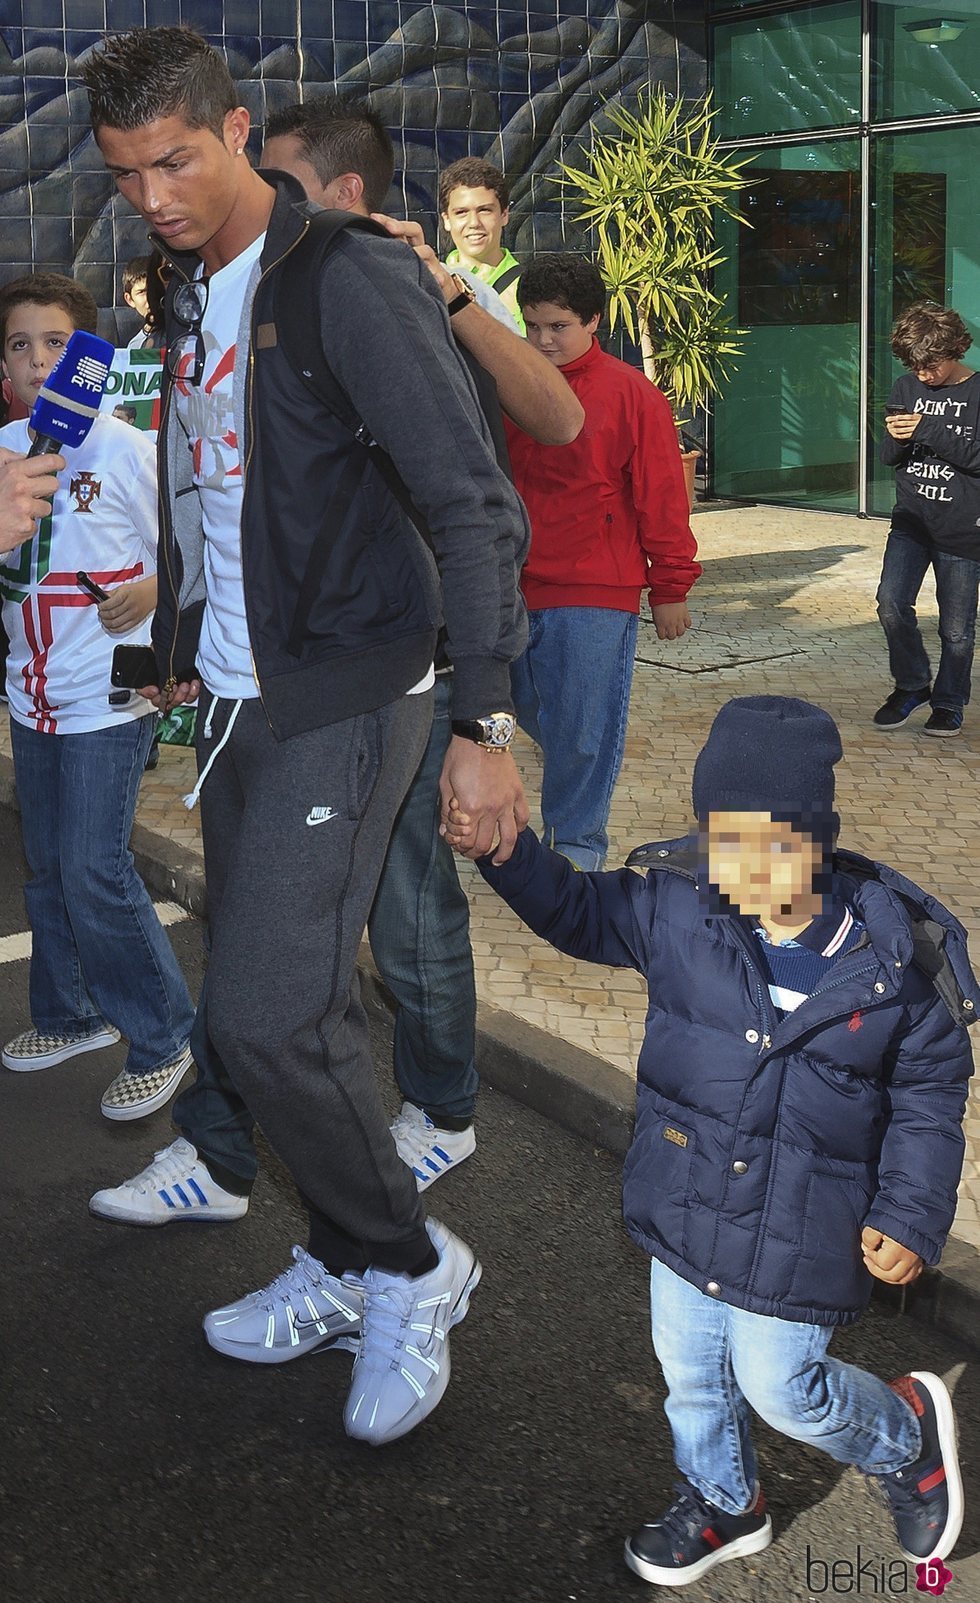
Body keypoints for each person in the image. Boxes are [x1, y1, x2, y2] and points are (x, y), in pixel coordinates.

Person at [82, 25, 530, 1448]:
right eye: (125, 173)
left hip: (352, 694)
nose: (153, 193)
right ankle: (344, 1251)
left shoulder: (348, 275)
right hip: (235, 698)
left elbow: (473, 500)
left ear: (235, 130)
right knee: (291, 1012)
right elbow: (219, 498)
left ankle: (411, 1262)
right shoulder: (183, 290)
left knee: (262, 1017)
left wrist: (484, 717)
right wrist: (172, 649)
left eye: (177, 159)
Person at [450, 695, 973, 1584]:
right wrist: (508, 851)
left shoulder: (896, 965)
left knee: (782, 1387)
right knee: (689, 1372)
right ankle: (724, 1499)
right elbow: (576, 913)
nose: (741, 868)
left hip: (802, 1225)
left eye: (769, 846)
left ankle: (902, 1433)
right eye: (722, 841)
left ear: (816, 838)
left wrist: (914, 1211)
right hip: (689, 1200)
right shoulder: (679, 907)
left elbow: (929, 1094)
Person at [259, 94, 582, 1182]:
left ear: (347, 192)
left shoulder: (410, 281)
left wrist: (441, 294)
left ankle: (442, 1107)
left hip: (437, 638)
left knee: (413, 896)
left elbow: (558, 418)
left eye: (280, 185)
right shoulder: (274, 287)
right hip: (338, 647)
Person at [0, 272, 195, 1117]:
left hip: (105, 701)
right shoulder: (6, 447)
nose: (37, 361)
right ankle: (70, 1014)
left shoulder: (123, 448)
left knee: (93, 866)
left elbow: (194, 553)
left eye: (55, 343)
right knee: (46, 869)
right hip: (28, 698)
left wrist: (152, 592)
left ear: (88, 356)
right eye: (18, 344)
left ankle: (163, 1033)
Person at [506, 254, 701, 869]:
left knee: (585, 730)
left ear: (595, 320)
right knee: (522, 713)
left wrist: (670, 586)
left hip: (596, 589)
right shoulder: (506, 380)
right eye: (532, 326)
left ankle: (578, 851)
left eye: (558, 327)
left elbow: (662, 494)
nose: (543, 341)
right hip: (511, 589)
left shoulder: (630, 393)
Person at [875, 301, 980, 739]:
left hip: (962, 529)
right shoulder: (905, 386)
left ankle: (949, 701)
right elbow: (888, 458)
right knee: (891, 603)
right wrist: (897, 440)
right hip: (911, 520)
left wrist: (927, 430)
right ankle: (913, 684)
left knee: (956, 628)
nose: (922, 375)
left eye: (931, 365)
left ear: (955, 348)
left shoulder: (977, 394)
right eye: (915, 366)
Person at [439, 156, 524, 333]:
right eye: (461, 212)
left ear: (504, 215)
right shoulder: (432, 283)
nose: (474, 223)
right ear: (446, 220)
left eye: (484, 210)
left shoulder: (527, 288)